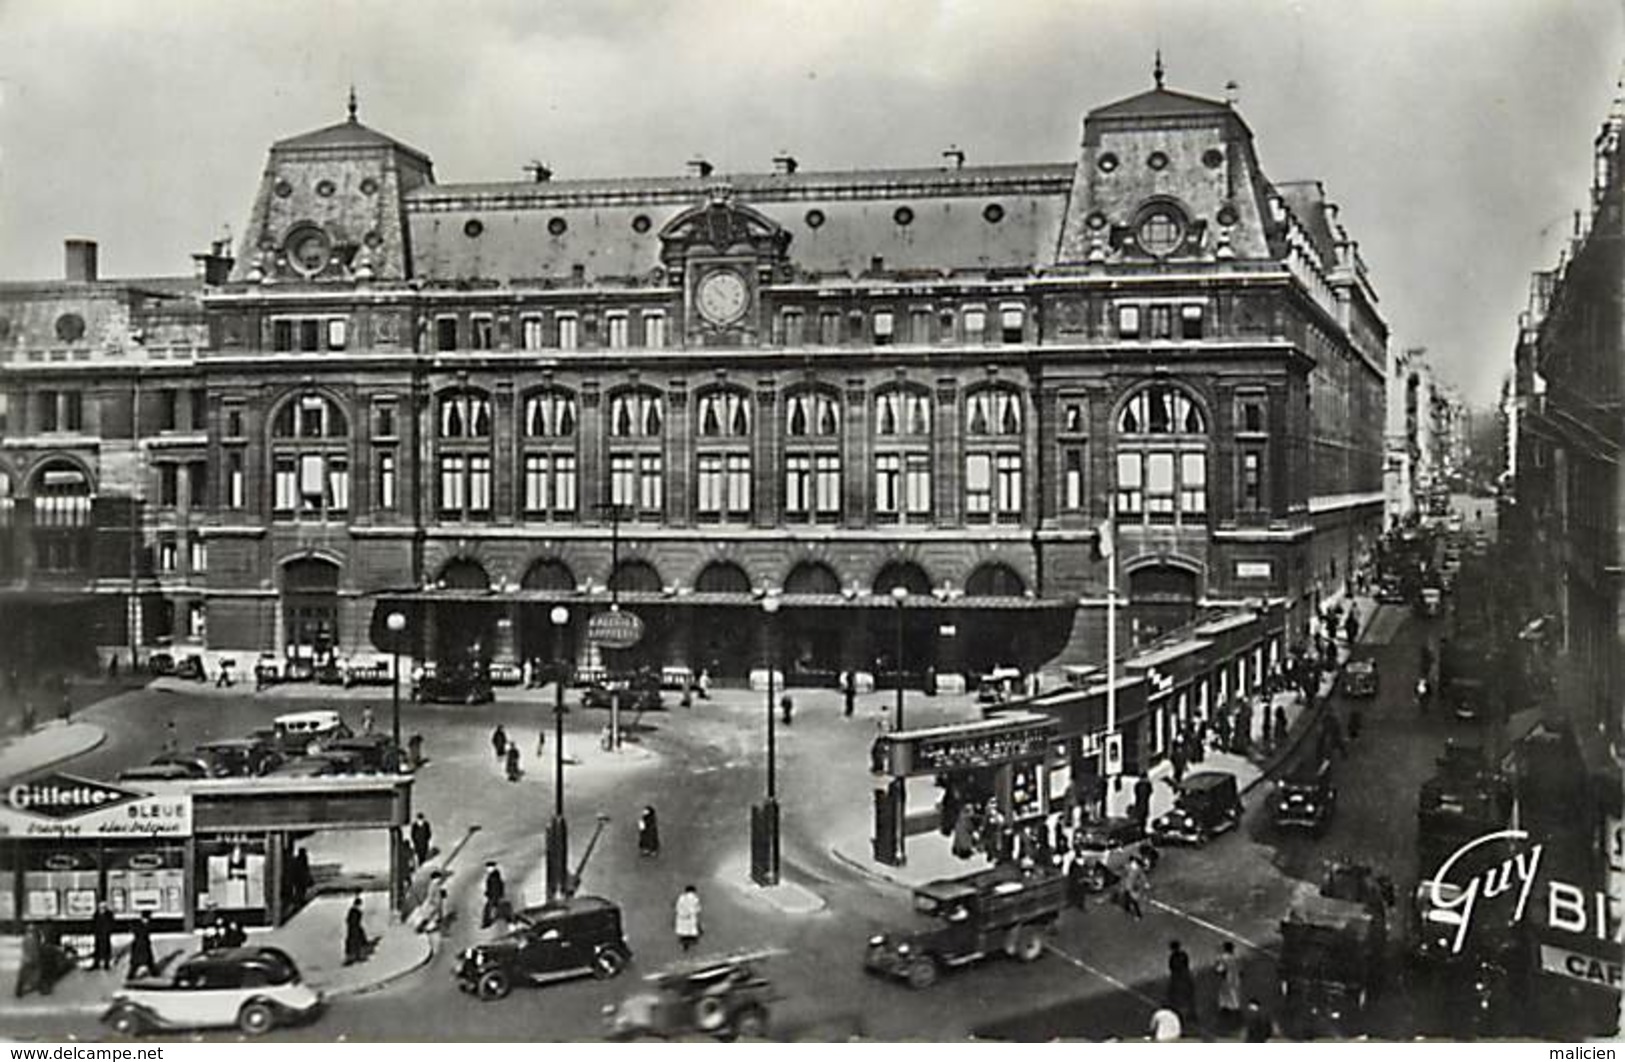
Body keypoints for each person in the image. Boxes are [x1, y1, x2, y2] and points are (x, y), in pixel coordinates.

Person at [1213, 941, 1243, 1030]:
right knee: (1236, 1002)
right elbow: (1241, 971)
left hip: (1226, 983)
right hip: (1236, 982)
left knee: (1225, 1002)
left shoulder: (1223, 958)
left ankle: (1225, 1024)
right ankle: (1237, 1022)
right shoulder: (1237, 958)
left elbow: (1219, 970)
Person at [1167, 940, 1195, 1026]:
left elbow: (1172, 968)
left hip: (1178, 979)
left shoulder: (1173, 957)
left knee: (1177, 998)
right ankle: (1191, 1014)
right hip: (1186, 977)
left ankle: (1180, 1015)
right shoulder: (1184, 955)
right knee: (1188, 997)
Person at [15, 923, 42, 998]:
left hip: (27, 959)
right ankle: (20, 990)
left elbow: (25, 948)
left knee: (24, 975)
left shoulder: (27, 938)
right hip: (31, 959)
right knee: (28, 974)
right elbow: (33, 949)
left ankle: (19, 990)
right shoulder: (32, 938)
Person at [128, 912, 157, 980]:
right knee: (138, 962)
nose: (148, 920)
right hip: (140, 945)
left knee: (147, 961)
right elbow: (137, 932)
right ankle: (130, 975)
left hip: (143, 945)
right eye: (147, 918)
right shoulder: (140, 925)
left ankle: (154, 973)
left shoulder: (144, 924)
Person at [674, 885, 702, 952]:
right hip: (690, 919)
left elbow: (677, 908)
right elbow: (698, 909)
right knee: (693, 933)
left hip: (682, 918)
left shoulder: (681, 898)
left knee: (684, 934)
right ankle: (692, 948)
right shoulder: (695, 898)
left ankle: (685, 947)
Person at [1120, 856, 1148, 920]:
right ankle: (1127, 907)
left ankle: (1139, 915)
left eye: (1134, 862)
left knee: (1134, 901)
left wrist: (1145, 883)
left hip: (1131, 887)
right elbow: (1124, 873)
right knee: (1126, 896)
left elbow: (1142, 876)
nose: (1132, 862)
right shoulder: (1128, 867)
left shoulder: (1138, 870)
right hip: (1126, 886)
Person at [343, 894, 368, 965]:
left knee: (354, 941)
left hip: (353, 929)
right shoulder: (355, 911)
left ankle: (354, 956)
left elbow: (348, 920)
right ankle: (355, 956)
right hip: (354, 929)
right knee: (356, 941)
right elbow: (353, 921)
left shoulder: (353, 911)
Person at [482, 861, 506, 928]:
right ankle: (489, 921)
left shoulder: (494, 876)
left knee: (488, 909)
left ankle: (487, 922)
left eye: (489, 868)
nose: (488, 869)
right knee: (493, 908)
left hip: (494, 896)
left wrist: (491, 894)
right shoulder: (494, 875)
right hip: (494, 895)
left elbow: (496, 887)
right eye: (487, 868)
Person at [92, 901, 115, 970]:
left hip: (105, 934)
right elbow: (94, 922)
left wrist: (108, 931)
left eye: (103, 907)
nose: (101, 908)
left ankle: (106, 963)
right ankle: (96, 963)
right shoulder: (96, 914)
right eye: (100, 907)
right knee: (97, 948)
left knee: (106, 948)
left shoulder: (109, 914)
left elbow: (111, 923)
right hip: (98, 933)